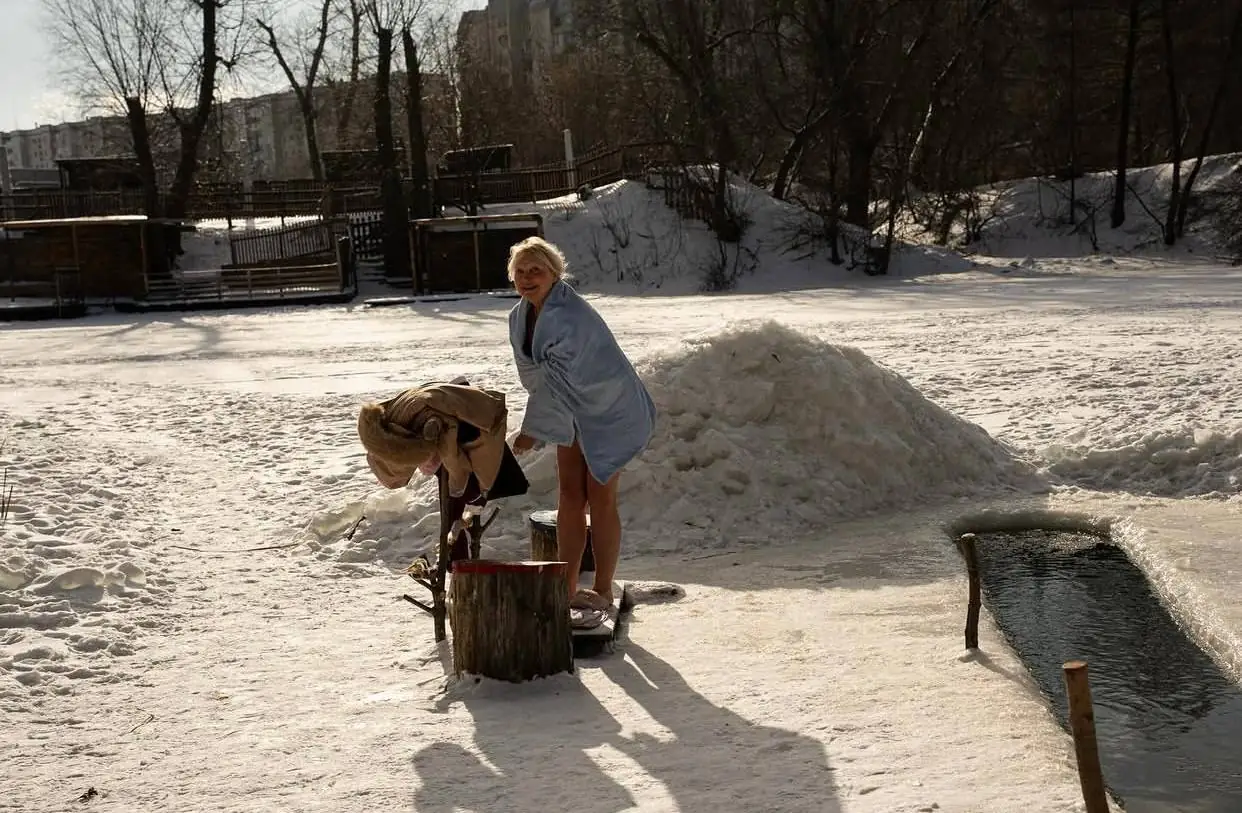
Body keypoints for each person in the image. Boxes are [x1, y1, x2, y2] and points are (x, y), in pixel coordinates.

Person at [506, 236, 656, 622]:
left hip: (609, 406)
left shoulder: (569, 315)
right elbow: (537, 375)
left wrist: (532, 430)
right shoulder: (519, 316)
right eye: (520, 271)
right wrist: (541, 420)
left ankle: (603, 588)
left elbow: (555, 377)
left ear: (554, 274)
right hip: (571, 409)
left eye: (536, 270)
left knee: (600, 495)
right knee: (570, 496)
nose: (527, 278)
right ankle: (568, 587)